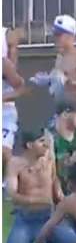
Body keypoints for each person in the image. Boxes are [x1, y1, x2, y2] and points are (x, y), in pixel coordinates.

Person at [29, 15, 76, 104]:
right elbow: (59, 81)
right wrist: (49, 80)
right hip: (63, 105)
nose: (55, 38)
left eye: (59, 35)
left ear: (70, 36)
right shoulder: (60, 56)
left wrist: (70, 82)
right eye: (55, 35)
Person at [2, 26, 26, 173]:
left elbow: (22, 87)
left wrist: (3, 97)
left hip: (4, 113)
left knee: (4, 153)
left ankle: (8, 182)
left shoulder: (4, 64)